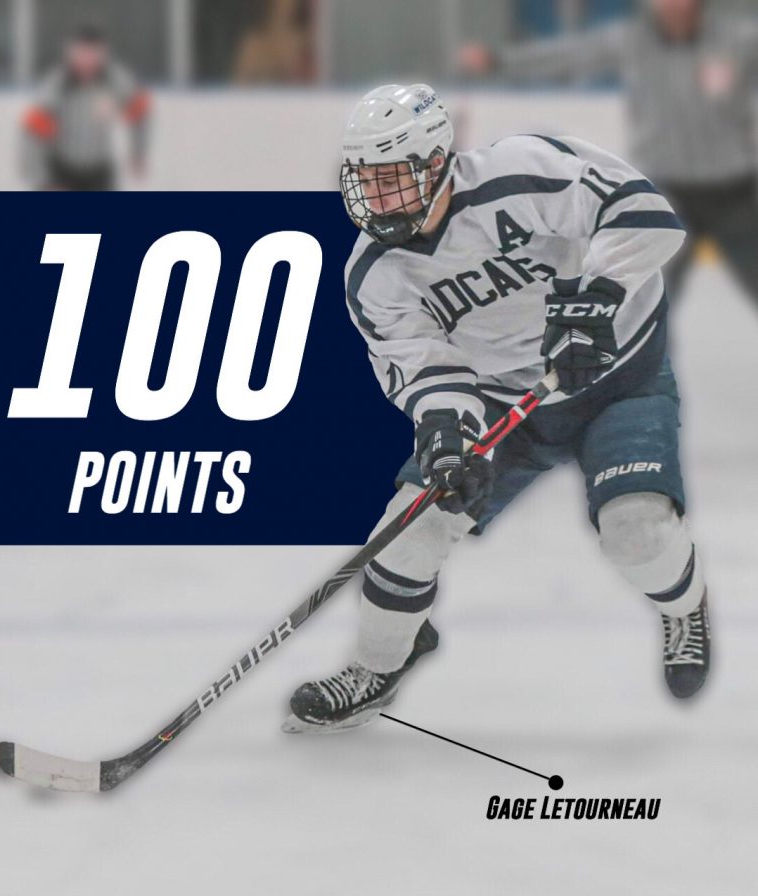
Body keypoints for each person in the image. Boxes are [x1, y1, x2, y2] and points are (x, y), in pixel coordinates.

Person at [284, 83, 710, 734]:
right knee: (407, 533)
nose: (376, 199)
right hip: (501, 400)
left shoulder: (525, 172)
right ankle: (379, 666)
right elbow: (423, 365)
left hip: (619, 375)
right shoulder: (373, 274)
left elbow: (644, 214)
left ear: (436, 163)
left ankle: (684, 606)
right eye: (364, 181)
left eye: (392, 179)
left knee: (636, 532)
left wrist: (595, 297)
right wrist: (447, 434)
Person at [458, 0, 758, 304]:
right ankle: (652, 352)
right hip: (666, 196)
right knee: (647, 298)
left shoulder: (738, 39)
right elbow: (567, 55)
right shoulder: (630, 41)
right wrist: (499, 61)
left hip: (731, 193)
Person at [21, 22, 151, 191]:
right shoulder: (55, 85)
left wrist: (138, 152)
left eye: (94, 53)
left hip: (100, 174)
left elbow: (140, 113)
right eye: (82, 52)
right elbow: (33, 134)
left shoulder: (115, 80)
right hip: (61, 171)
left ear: (103, 53)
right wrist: (42, 181)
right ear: (71, 53)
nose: (87, 59)